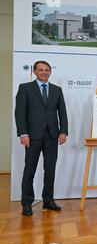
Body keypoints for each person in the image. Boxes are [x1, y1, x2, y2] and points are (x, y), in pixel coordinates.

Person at [15, 61, 68, 216]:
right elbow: (19, 113)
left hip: (52, 135)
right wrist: (23, 133)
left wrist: (63, 131)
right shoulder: (25, 88)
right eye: (41, 70)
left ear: (50, 72)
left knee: (50, 169)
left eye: (47, 70)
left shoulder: (57, 90)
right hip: (32, 136)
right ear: (34, 71)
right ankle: (26, 203)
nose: (44, 72)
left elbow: (62, 113)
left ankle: (48, 200)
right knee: (29, 169)